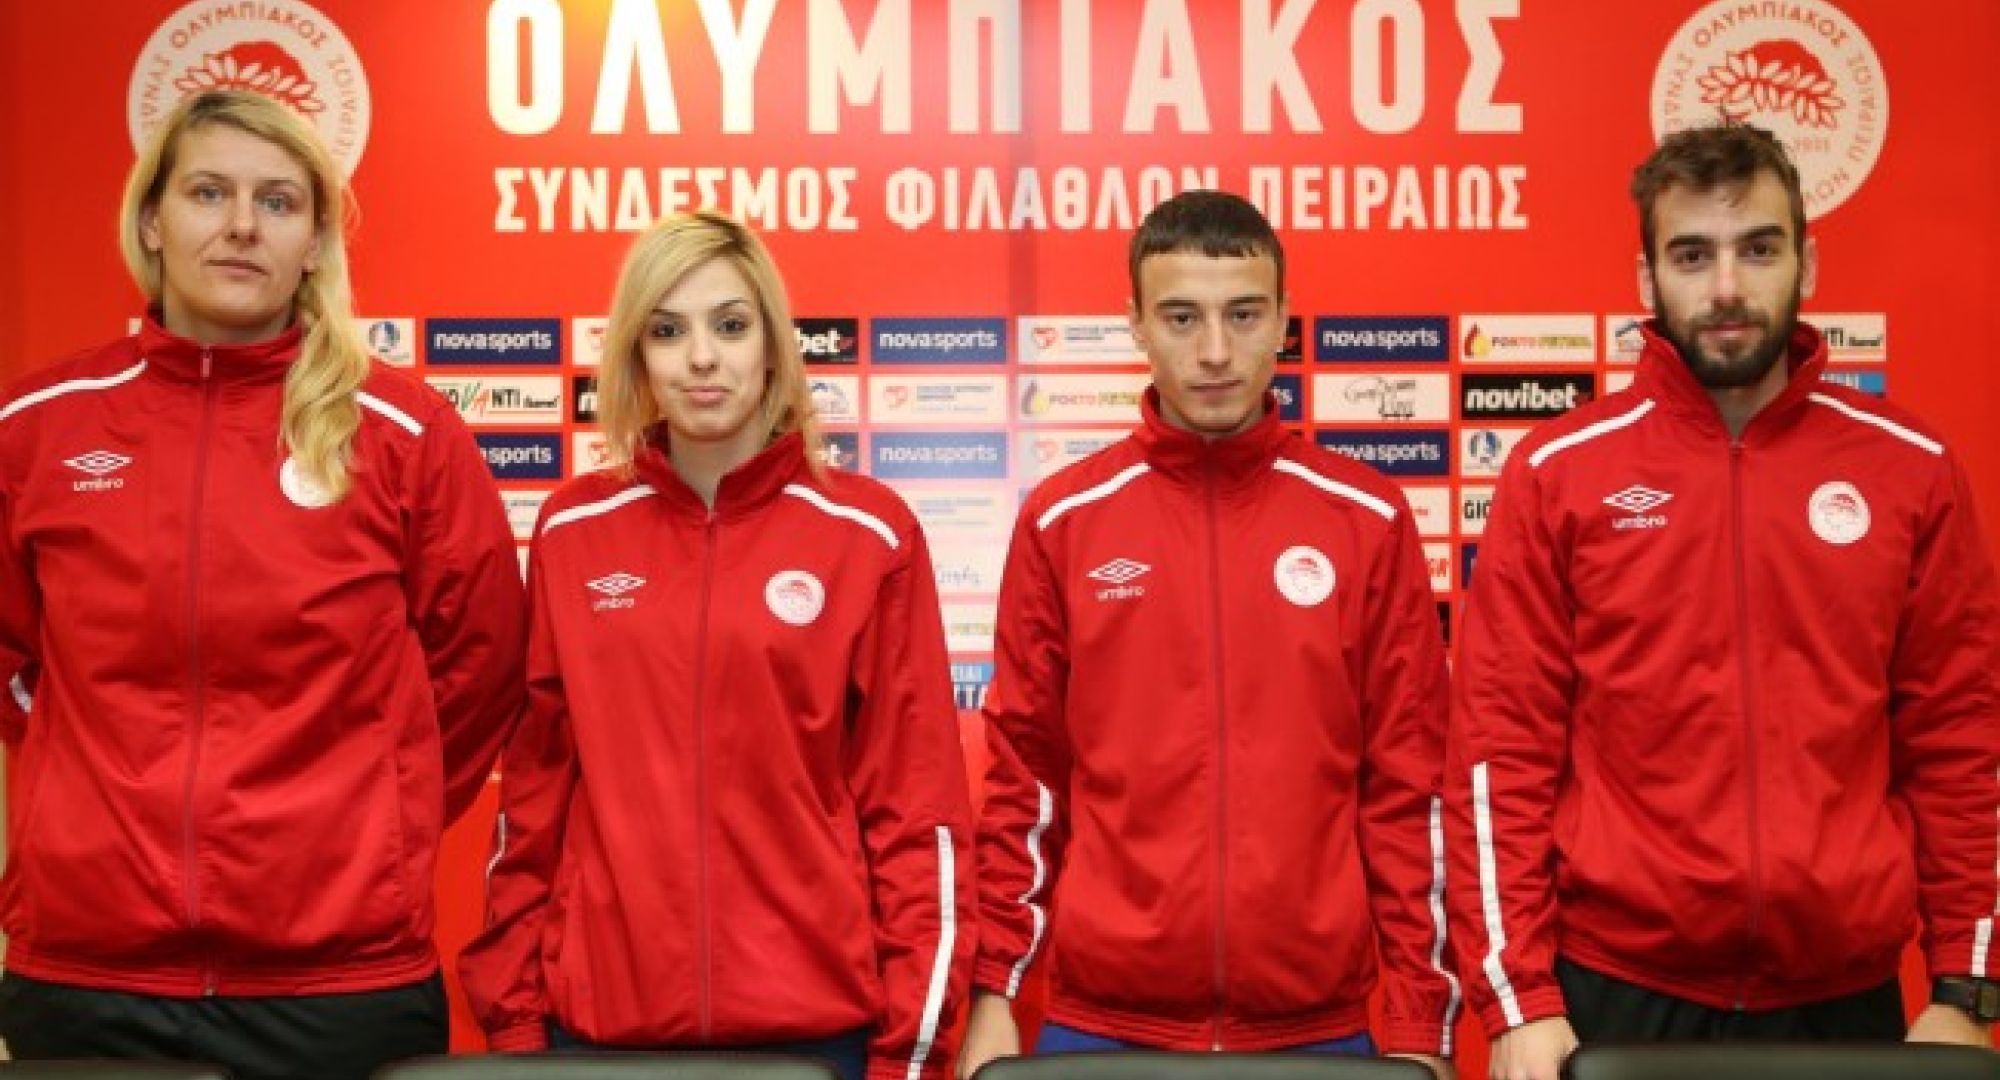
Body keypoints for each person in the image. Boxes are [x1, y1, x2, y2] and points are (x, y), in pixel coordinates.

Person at [1445, 122, 1999, 1080]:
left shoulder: (1910, 470)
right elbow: (1501, 752)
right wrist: (1517, 997)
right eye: (1693, 255)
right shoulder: (1559, 472)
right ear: (1647, 277)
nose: (1729, 288)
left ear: (1807, 263)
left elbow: (1962, 741)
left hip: (1844, 999)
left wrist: (1964, 987)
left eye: (1760, 250)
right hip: (1614, 992)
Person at [0, 89, 526, 1080]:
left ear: (316, 241)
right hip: (91, 975)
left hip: (341, 985)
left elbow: (481, 667)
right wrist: (88, 781)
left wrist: (374, 809)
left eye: (278, 201)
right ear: (151, 221)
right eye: (209, 192)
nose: (242, 225)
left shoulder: (404, 436)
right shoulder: (37, 428)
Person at [458, 210, 975, 1080]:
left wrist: (908, 1056)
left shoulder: (866, 534)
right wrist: (515, 1028)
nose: (702, 358)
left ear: (773, 346)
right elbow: (532, 805)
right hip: (601, 1037)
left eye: (730, 326)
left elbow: (916, 815)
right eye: (668, 331)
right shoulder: (574, 531)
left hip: (818, 1037)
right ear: (636, 355)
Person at [959, 190, 1458, 1078]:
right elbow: (1027, 781)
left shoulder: (1365, 519)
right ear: (1137, 324)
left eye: (1244, 314)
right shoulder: (1065, 521)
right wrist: (994, 992)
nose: (1216, 351)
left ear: (1285, 321)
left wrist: (1421, 1021)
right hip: (1100, 1026)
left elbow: (1408, 788)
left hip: (1318, 1028)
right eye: (1182, 317)